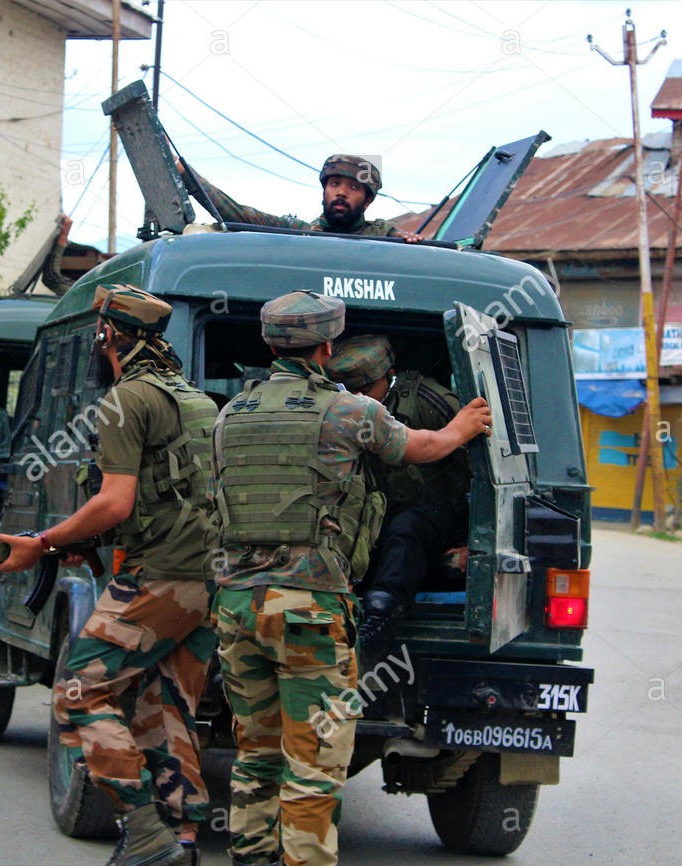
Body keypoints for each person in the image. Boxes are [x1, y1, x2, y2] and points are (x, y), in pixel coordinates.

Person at [211, 292, 491, 866]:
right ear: (327, 347)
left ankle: (251, 856)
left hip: (237, 607)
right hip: (307, 610)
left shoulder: (229, 415)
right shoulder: (347, 411)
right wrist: (463, 425)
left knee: (257, 754)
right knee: (314, 761)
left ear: (268, 346)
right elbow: (422, 447)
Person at [0, 285, 218, 866]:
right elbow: (173, 495)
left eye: (99, 332)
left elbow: (118, 501)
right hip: (204, 583)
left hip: (158, 579)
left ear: (108, 336)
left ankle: (144, 829)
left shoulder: (125, 399)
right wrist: (88, 542)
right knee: (163, 705)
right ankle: (181, 842)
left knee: (77, 690)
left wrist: (42, 541)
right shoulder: (195, 399)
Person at [325, 334, 472, 669]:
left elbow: (477, 469)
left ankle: (380, 616)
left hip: (440, 512)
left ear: (389, 374)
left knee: (407, 528)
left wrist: (473, 542)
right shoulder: (340, 410)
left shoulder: (428, 402)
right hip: (381, 512)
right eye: (351, 389)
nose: (359, 396)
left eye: (366, 388)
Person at [180, 154, 422, 240]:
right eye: (335, 184)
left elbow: (405, 241)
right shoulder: (299, 232)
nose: (341, 192)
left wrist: (406, 240)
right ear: (324, 190)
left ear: (368, 201)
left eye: (354, 188)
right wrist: (184, 174)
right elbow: (237, 214)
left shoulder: (382, 237)